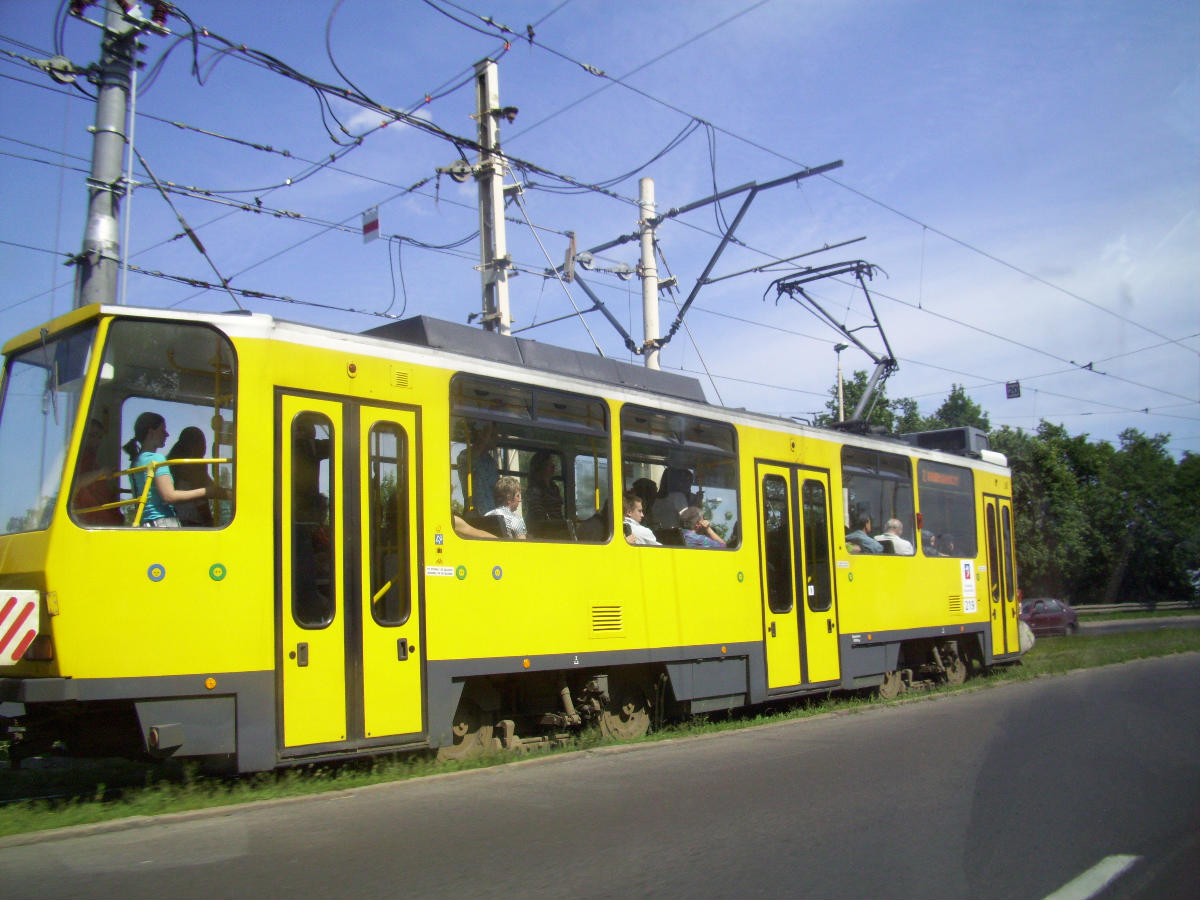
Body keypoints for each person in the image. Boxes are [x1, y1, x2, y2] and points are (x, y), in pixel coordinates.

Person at [123, 412, 224, 527]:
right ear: (151, 432)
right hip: (163, 521)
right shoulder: (156, 459)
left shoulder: (135, 462)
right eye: (163, 431)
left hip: (146, 523)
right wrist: (206, 491)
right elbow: (169, 496)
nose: (167, 434)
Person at [72, 417, 124, 525]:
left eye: (99, 437)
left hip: (99, 516)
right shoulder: (80, 457)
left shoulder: (92, 459)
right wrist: (101, 472)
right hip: (89, 518)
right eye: (92, 435)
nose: (96, 441)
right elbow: (76, 482)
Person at [167, 426, 215, 526]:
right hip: (192, 522)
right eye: (203, 444)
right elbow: (201, 501)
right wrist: (210, 523)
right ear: (198, 445)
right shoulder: (195, 464)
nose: (205, 448)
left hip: (177, 519)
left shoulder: (172, 461)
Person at [456, 421, 499, 514]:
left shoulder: (491, 462)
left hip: (492, 515)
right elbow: (476, 452)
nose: (497, 438)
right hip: (474, 514)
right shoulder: (465, 455)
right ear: (482, 435)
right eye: (493, 435)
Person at [525, 450, 565, 524]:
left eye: (553, 464)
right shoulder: (534, 490)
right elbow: (538, 515)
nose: (553, 466)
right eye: (549, 464)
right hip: (543, 531)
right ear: (540, 467)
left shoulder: (554, 488)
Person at [484, 475, 527, 539]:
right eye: (517, 496)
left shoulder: (487, 515)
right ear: (509, 498)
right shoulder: (516, 519)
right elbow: (523, 545)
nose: (520, 500)